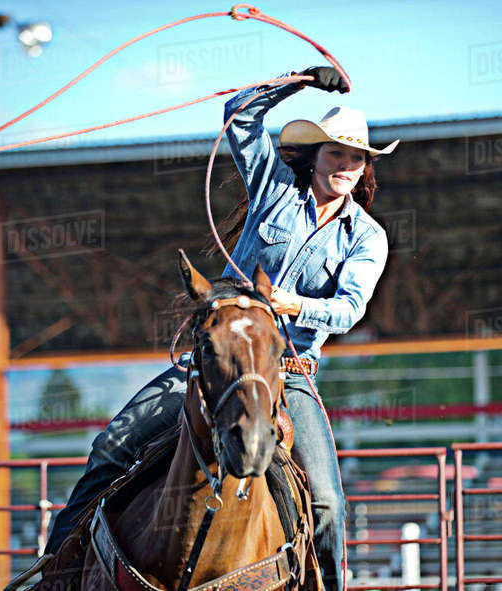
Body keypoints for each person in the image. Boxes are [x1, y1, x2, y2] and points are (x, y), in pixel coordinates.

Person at [43, 66, 399, 591]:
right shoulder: (274, 187)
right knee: (113, 444)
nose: (345, 165)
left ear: (365, 165)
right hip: (216, 359)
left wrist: (290, 304)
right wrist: (297, 82)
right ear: (315, 156)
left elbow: (348, 310)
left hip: (288, 370)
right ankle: (55, 572)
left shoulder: (367, 237)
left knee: (326, 499)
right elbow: (240, 116)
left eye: (355, 157)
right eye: (335, 153)